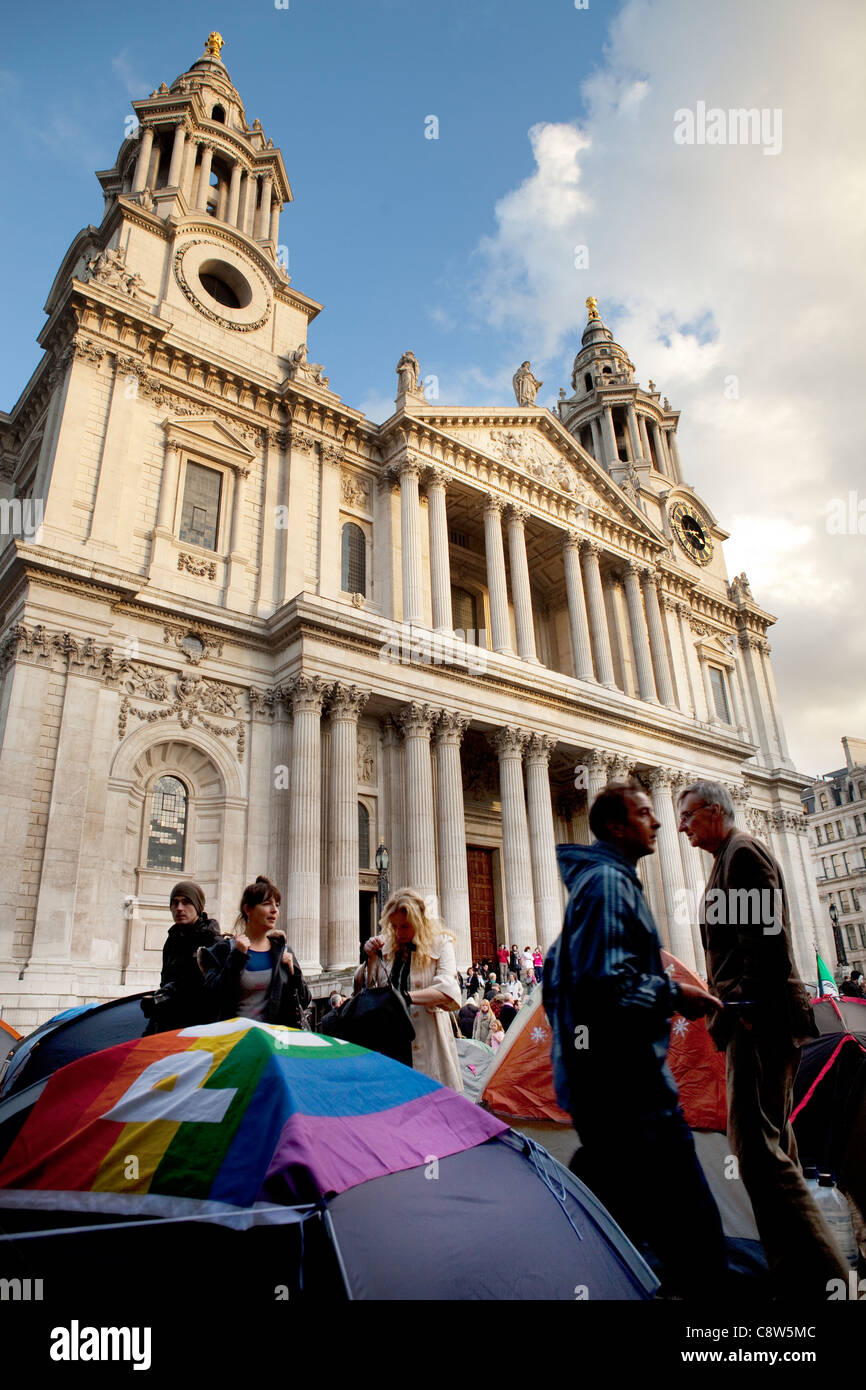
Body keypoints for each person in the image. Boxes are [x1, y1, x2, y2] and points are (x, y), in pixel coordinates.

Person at [544, 780, 727, 1298]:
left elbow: (564, 983)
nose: (660, 822)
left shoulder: (598, 882)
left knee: (620, 1224)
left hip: (608, 1089)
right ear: (618, 827)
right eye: (646, 814)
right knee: (695, 1238)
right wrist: (675, 994)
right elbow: (605, 983)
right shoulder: (608, 884)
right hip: (632, 1090)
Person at [677, 780, 849, 1297]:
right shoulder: (728, 856)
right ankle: (808, 1274)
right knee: (776, 1147)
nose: (681, 825)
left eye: (687, 815)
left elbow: (765, 944)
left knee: (757, 1153)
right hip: (756, 1018)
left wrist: (746, 1010)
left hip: (760, 1019)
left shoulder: (743, 854)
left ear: (713, 812)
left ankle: (819, 1280)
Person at [357, 888, 463, 1091]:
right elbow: (368, 990)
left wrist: (404, 997)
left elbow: (449, 991)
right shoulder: (385, 946)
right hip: (391, 1045)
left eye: (405, 926)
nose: (398, 933)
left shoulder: (441, 943)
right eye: (394, 926)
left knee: (431, 1107)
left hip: (430, 1046)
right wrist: (370, 958)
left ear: (419, 921)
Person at [198, 876, 310, 1028]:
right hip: (232, 1041)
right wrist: (236, 957)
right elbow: (211, 998)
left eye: (277, 905)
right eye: (266, 904)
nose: (275, 910)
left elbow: (304, 1000)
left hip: (272, 1043)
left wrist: (293, 973)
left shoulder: (283, 952)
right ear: (248, 909)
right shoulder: (223, 951)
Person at [141, 881, 222, 1033]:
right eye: (175, 903)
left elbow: (201, 990)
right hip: (168, 1021)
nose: (179, 908)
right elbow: (166, 981)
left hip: (198, 1026)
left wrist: (160, 1000)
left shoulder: (211, 941)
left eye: (186, 902)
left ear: (198, 907)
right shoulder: (172, 940)